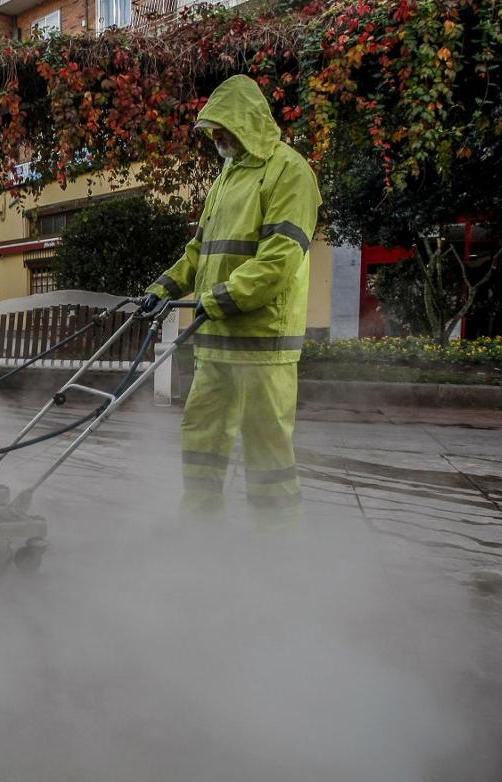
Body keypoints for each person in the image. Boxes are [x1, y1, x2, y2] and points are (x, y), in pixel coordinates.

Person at [139, 74, 321, 519]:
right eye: (212, 130)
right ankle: (200, 532)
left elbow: (278, 261)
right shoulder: (225, 178)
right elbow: (199, 252)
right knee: (201, 437)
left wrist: (221, 296)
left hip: (263, 343)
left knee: (268, 455)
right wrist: (165, 286)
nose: (216, 137)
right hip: (215, 341)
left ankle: (278, 547)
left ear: (248, 122)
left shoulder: (289, 171)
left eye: (222, 127)